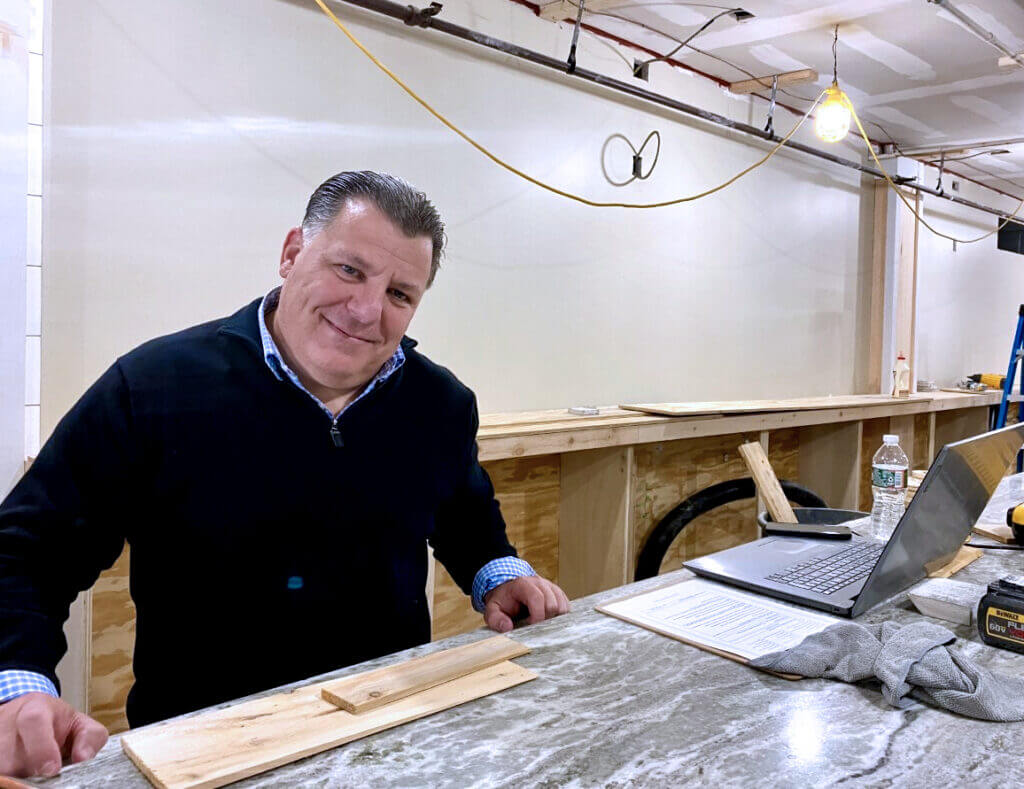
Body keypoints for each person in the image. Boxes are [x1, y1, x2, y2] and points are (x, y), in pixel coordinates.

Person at [0, 171, 570, 778]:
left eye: (400, 294)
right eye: (349, 270)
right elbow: (27, 553)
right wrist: (20, 686)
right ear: (292, 253)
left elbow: (462, 512)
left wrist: (497, 571)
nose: (366, 309)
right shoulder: (152, 388)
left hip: (388, 733)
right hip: (203, 749)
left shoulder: (440, 404)